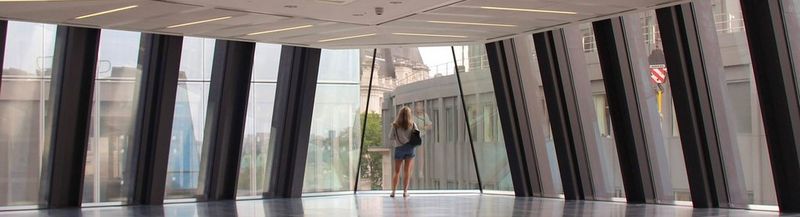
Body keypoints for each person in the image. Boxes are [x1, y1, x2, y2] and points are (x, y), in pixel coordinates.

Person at [389, 106, 418, 198]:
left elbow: (390, 137)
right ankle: (405, 192)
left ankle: (393, 192)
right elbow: (417, 136)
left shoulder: (395, 125)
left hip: (399, 148)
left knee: (396, 172)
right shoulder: (413, 124)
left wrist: (399, 138)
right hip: (410, 149)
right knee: (407, 171)